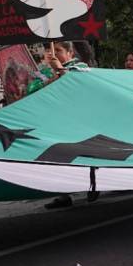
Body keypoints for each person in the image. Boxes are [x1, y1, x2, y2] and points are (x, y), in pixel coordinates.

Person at [26, 41, 91, 209]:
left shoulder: (81, 67)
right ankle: (63, 194)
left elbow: (80, 86)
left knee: (84, 152)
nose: (51, 53)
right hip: (53, 119)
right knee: (57, 155)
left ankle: (93, 183)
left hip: (78, 120)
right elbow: (33, 90)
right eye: (48, 50)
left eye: (58, 50)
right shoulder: (44, 71)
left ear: (70, 53)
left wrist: (61, 69)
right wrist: (53, 73)